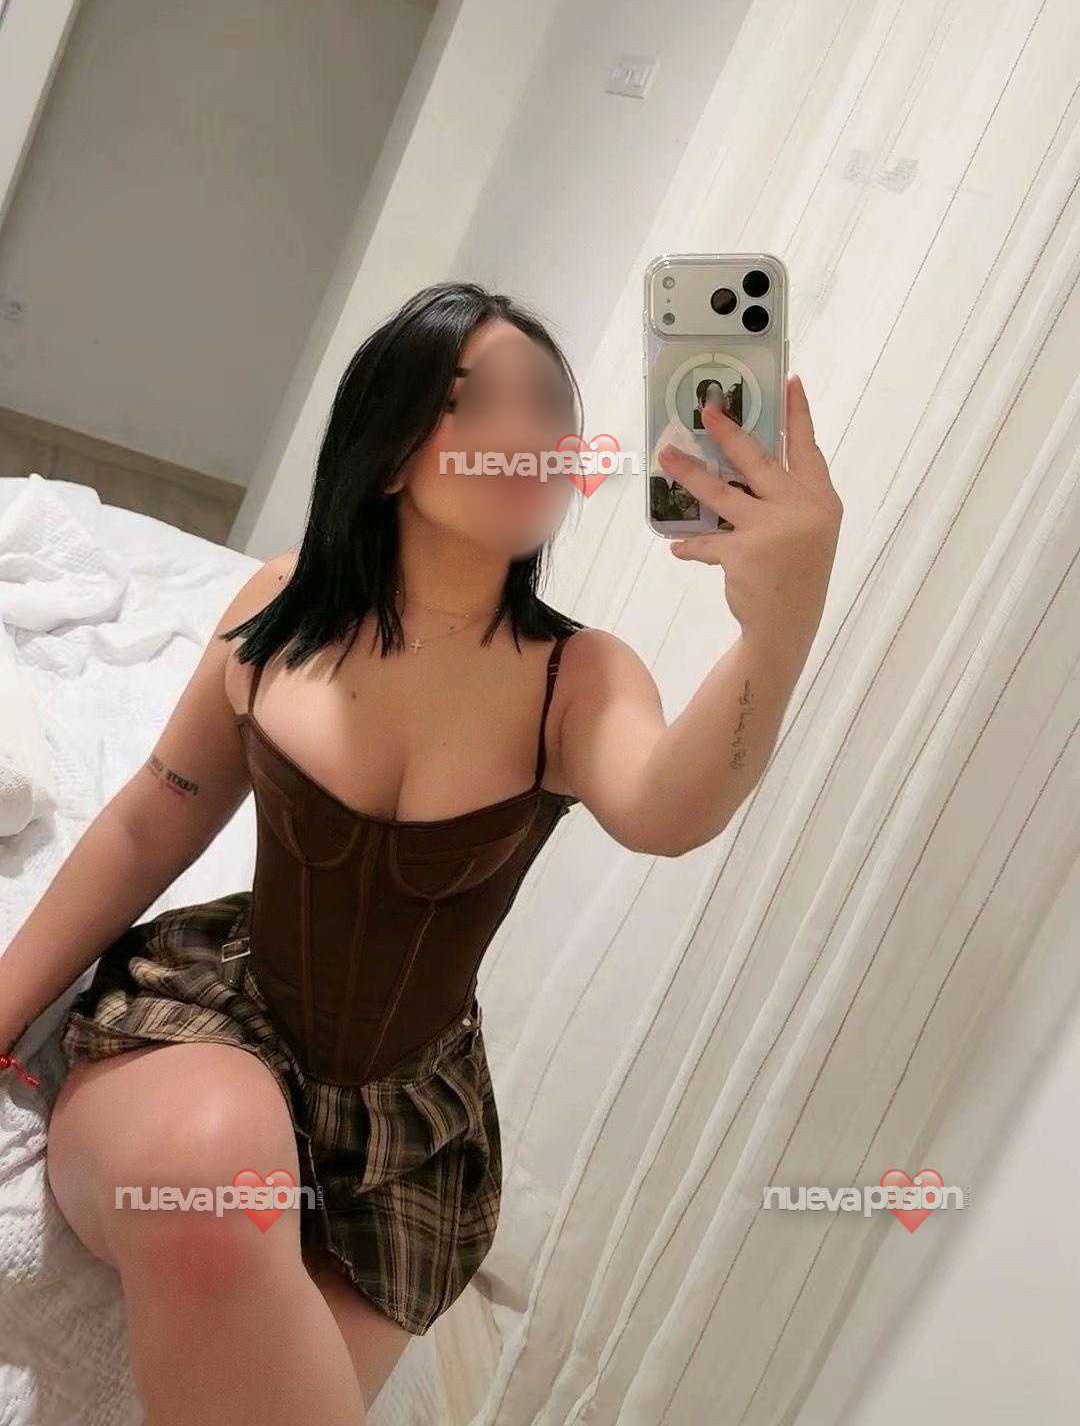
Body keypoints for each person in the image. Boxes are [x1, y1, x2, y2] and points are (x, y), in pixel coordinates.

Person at [0, 279, 841, 1425]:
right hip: (212, 1029)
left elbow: (667, 807)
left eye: (548, 407)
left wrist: (777, 625)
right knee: (212, 1173)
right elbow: (155, 814)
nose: (522, 434)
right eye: (471, 403)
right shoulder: (285, 604)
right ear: (390, 451)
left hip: (404, 1137)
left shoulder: (577, 677)